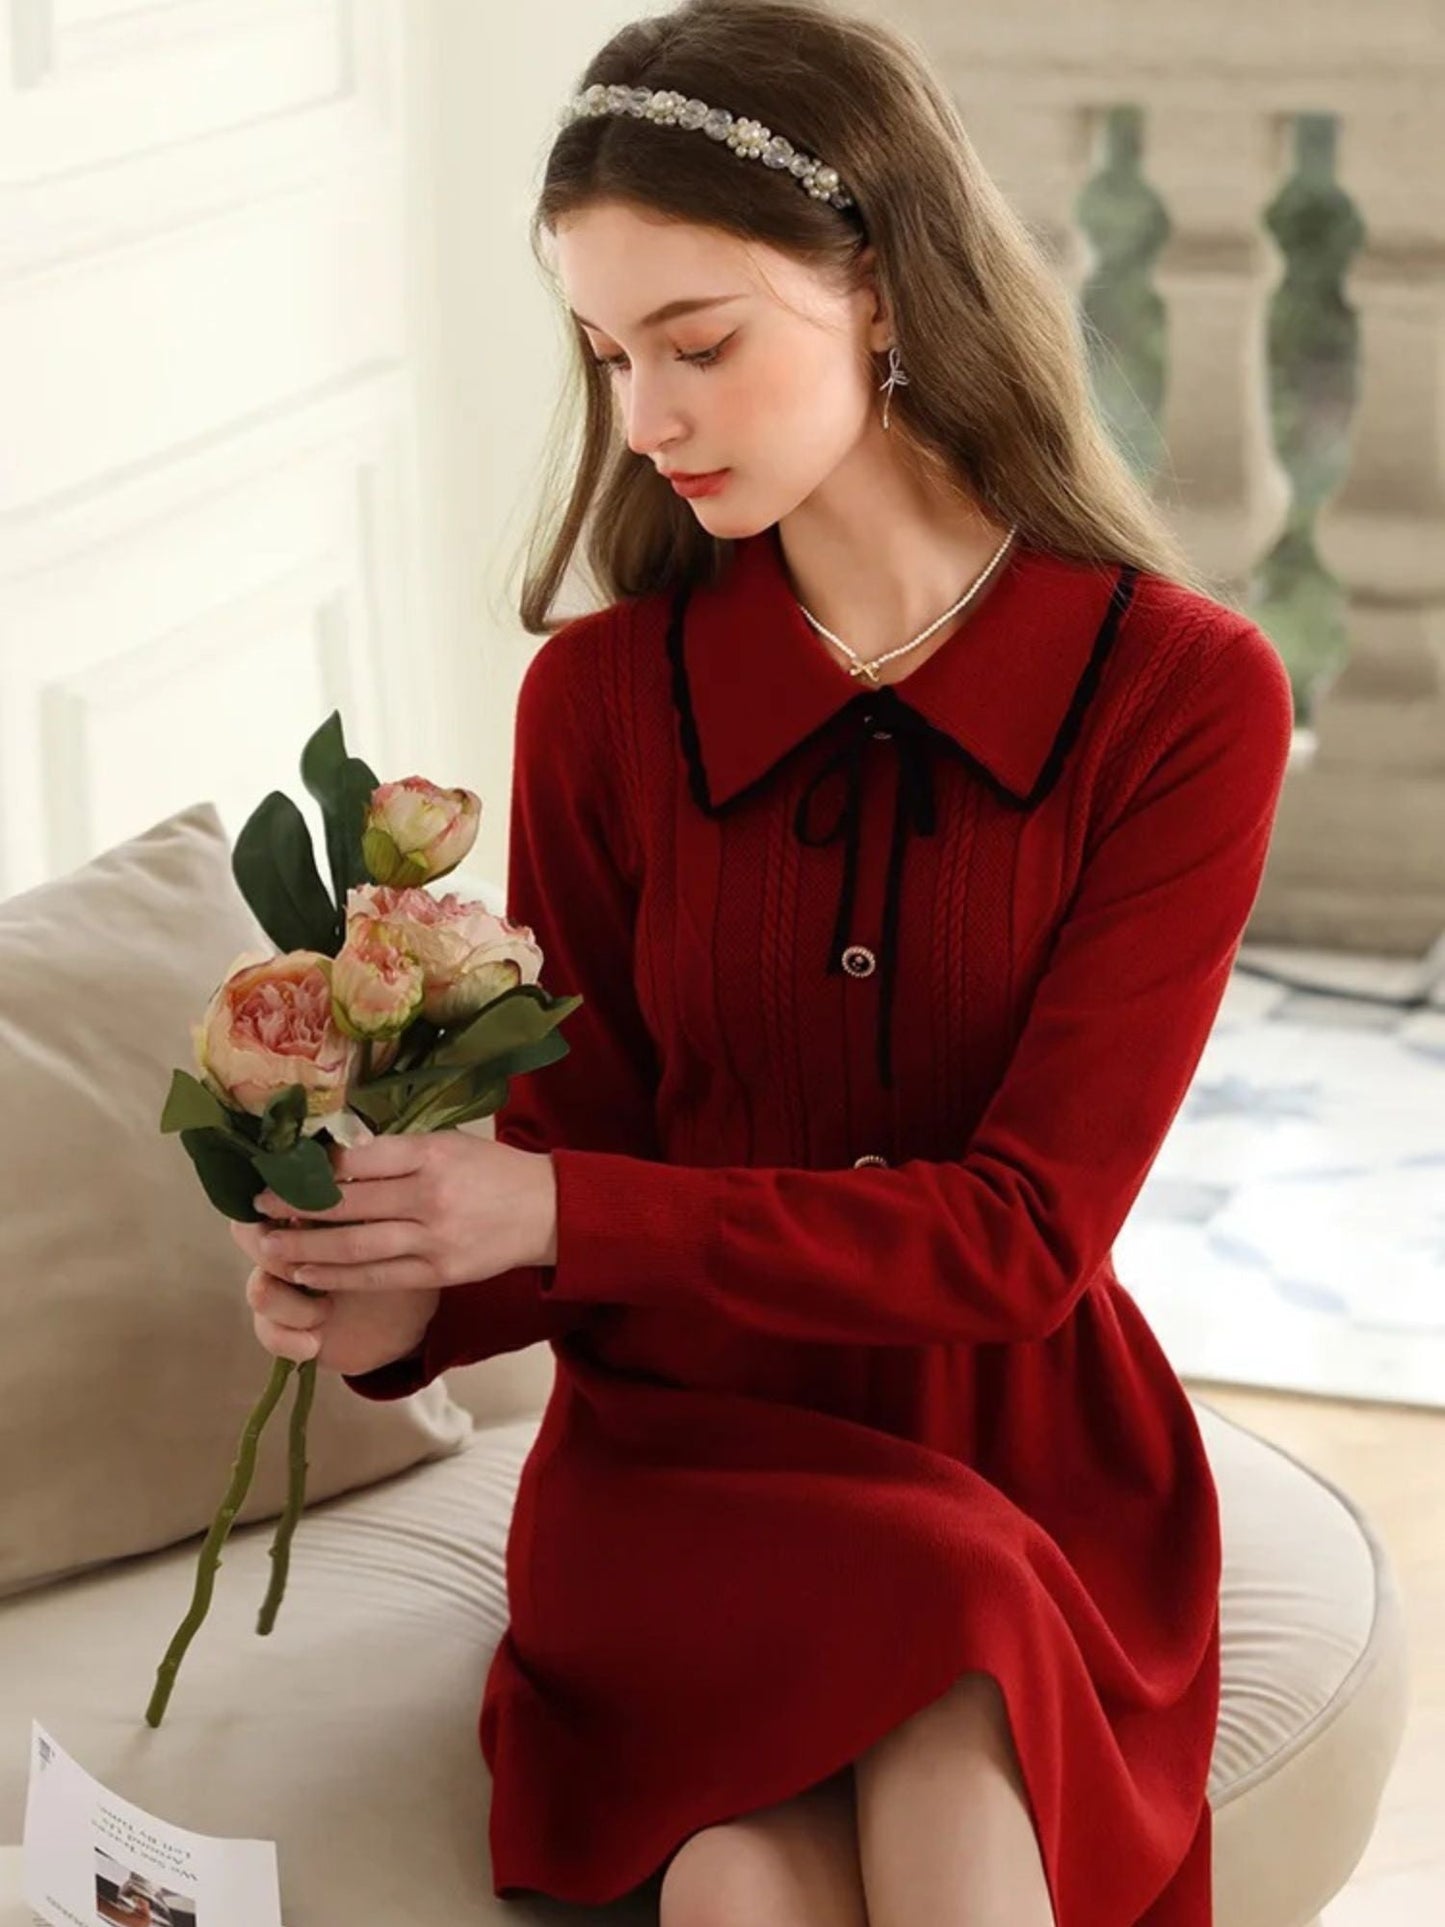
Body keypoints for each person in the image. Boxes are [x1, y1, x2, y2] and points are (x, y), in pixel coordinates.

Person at [231, 2, 1296, 1921]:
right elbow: (577, 1164)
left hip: (1025, 1464)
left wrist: (540, 1213)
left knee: (759, 1863)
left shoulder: (1176, 699)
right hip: (684, 1474)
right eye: (606, 352)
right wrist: (380, 1297)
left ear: (878, 290)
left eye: (699, 344)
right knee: (789, 1812)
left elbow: (1018, 1239)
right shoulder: (602, 703)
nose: (643, 418)